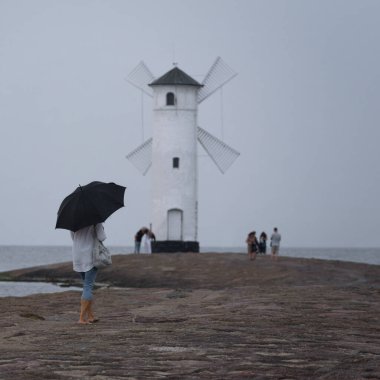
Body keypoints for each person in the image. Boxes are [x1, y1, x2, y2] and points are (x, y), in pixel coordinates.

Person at [70, 223, 106, 324]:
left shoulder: (74, 219)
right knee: (88, 286)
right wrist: (101, 227)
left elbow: (73, 237)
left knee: (86, 286)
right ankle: (81, 318)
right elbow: (102, 237)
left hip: (77, 254)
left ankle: (90, 316)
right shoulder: (96, 221)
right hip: (89, 255)